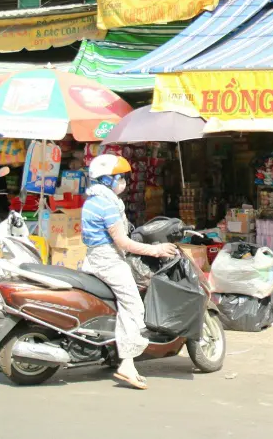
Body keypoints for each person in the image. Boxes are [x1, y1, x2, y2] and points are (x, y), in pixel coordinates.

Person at [81, 155, 177, 390]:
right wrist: (156, 250)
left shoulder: (94, 201)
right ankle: (127, 364)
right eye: (119, 178)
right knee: (133, 306)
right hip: (109, 261)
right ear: (106, 180)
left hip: (94, 258)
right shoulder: (106, 204)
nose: (123, 182)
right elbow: (123, 243)